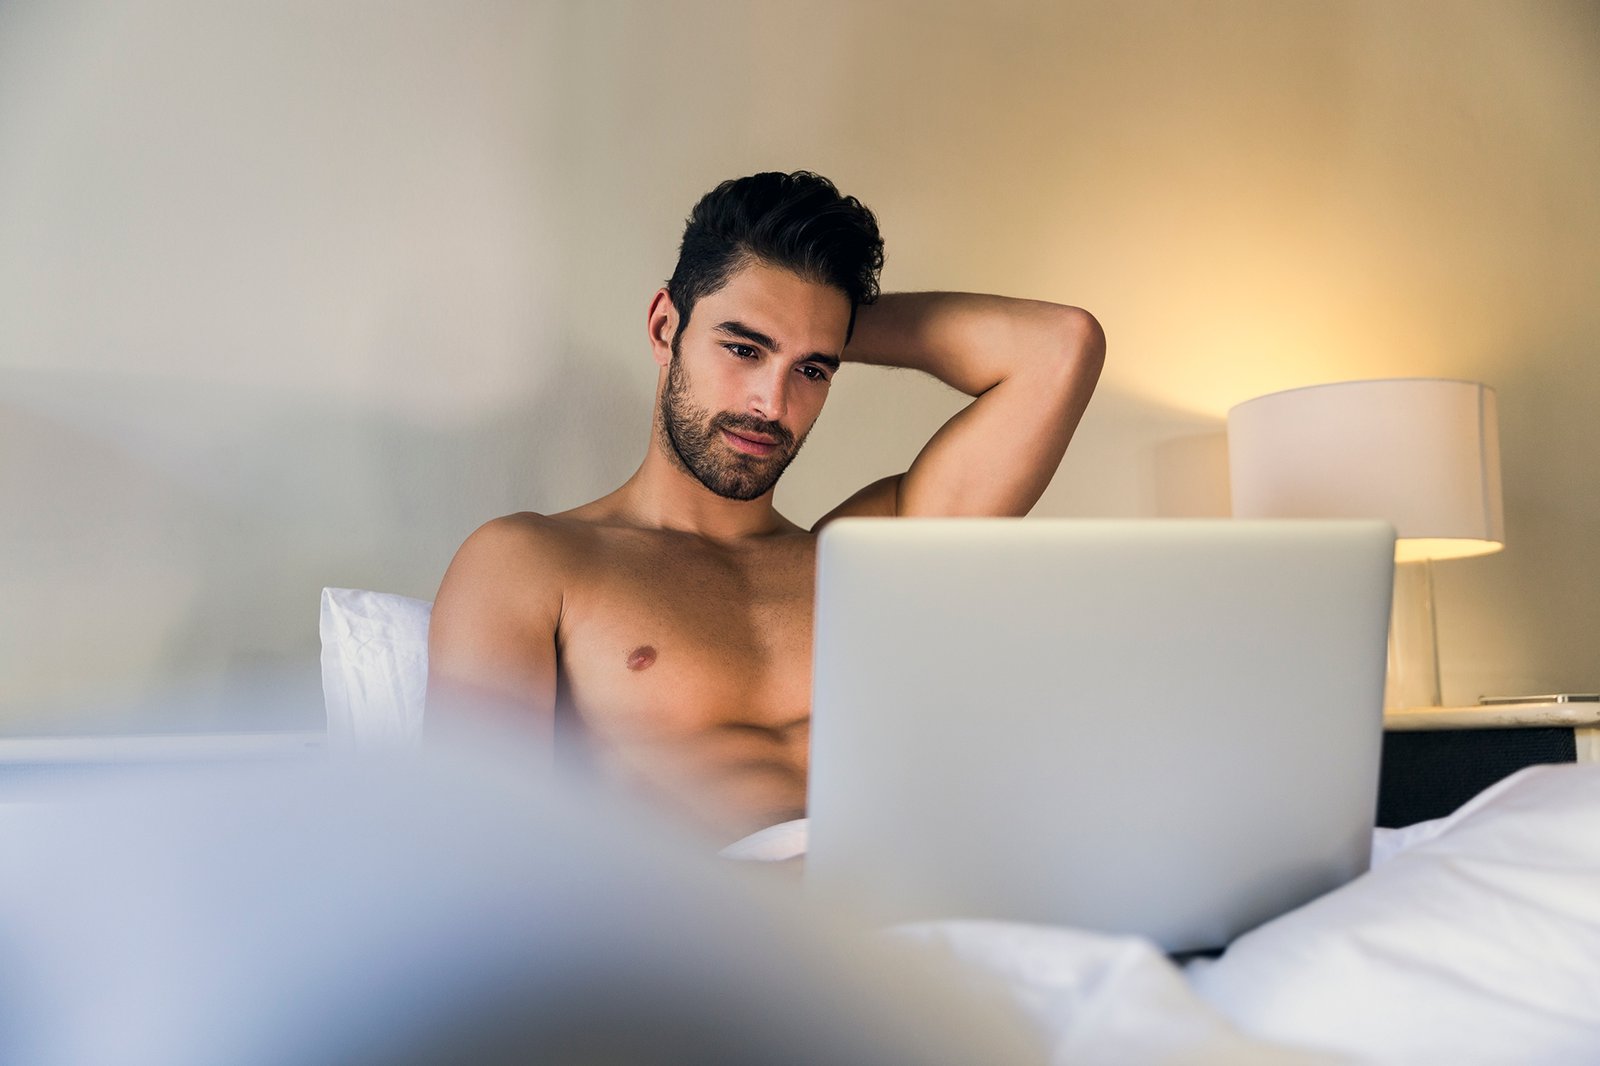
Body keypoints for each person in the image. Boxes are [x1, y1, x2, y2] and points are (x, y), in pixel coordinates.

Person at [426, 171, 1104, 844]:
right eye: (744, 348)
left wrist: (818, 321)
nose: (771, 405)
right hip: (707, 937)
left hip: (916, 914)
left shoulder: (868, 556)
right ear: (665, 326)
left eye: (812, 369)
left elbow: (1060, 345)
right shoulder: (530, 561)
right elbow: (479, 856)